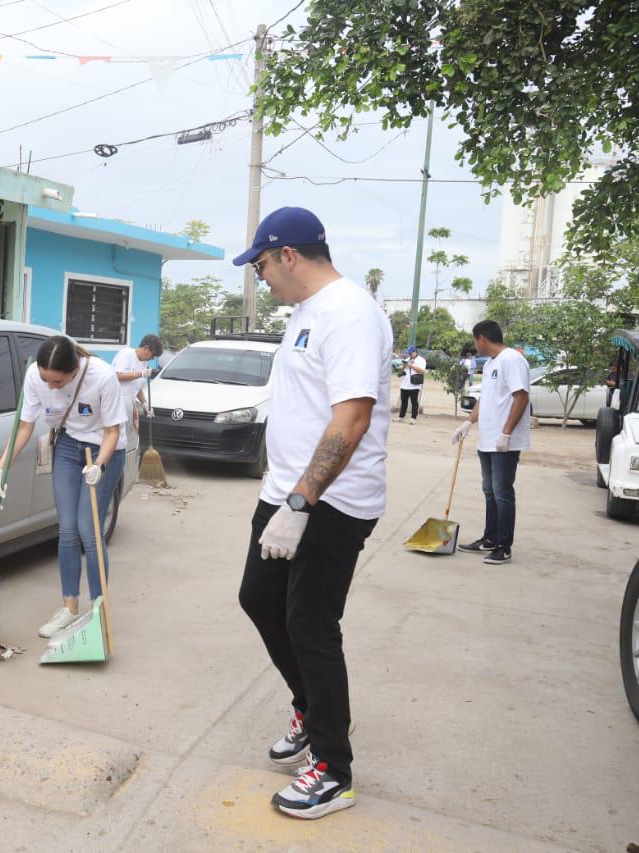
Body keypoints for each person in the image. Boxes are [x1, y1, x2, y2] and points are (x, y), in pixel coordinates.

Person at [232, 207, 391, 820]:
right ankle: (309, 705)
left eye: (263, 264)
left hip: (331, 502)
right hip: (285, 492)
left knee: (311, 626)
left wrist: (302, 502)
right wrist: (284, 494)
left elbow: (349, 419)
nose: (261, 277)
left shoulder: (349, 313)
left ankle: (333, 768)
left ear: (290, 255)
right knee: (258, 598)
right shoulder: (306, 312)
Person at [0, 335, 128, 638]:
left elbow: (113, 431)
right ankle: (69, 607)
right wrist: (1, 468)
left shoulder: (102, 377)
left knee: (88, 531)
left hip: (104, 450)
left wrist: (99, 466)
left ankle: (97, 612)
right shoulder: (34, 376)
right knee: (66, 529)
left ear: (75, 370)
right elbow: (24, 427)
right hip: (66, 446)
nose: (50, 387)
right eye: (45, 380)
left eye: (57, 382)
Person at [452, 319, 531, 565]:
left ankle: (504, 546)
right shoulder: (490, 365)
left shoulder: (512, 360)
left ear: (482, 338)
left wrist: (506, 432)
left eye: (475, 341)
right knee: (489, 491)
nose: (475, 346)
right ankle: (490, 538)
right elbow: (485, 399)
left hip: (503, 441)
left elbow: (521, 397)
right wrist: (468, 423)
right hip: (487, 440)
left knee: (502, 492)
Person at [112, 334, 163, 429]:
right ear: (146, 348)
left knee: (130, 438)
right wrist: (141, 373)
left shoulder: (144, 363)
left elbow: (136, 387)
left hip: (130, 405)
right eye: (153, 355)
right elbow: (118, 375)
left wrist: (144, 403)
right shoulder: (126, 354)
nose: (152, 358)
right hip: (117, 403)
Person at [396, 345, 427, 424]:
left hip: (414, 385)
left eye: (410, 353)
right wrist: (400, 368)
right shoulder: (407, 359)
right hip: (404, 384)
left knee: (414, 402)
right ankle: (401, 417)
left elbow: (422, 371)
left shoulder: (421, 360)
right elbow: (404, 368)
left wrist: (411, 366)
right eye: (408, 353)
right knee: (404, 402)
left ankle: (413, 418)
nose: (409, 354)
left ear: (415, 352)